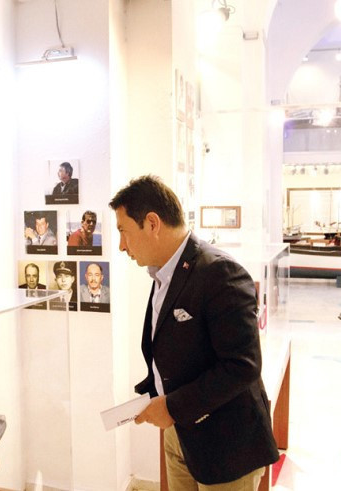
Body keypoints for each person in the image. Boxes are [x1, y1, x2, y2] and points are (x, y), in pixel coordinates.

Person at [109, 175, 279, 488]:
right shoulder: (163, 274)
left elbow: (243, 366)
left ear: (152, 223)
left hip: (227, 446)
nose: (121, 246)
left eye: (123, 231)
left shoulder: (220, 272)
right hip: (181, 433)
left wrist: (172, 406)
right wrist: (153, 396)